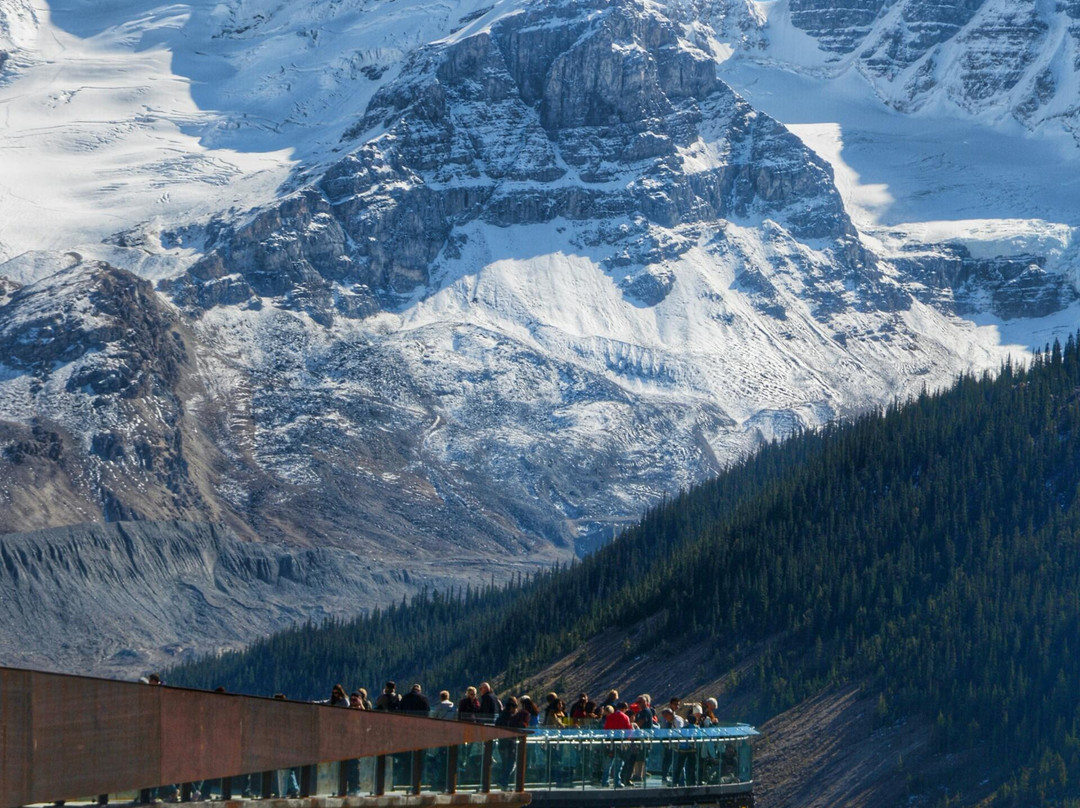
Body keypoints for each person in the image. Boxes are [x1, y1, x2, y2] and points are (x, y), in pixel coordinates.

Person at [495, 697, 527, 789]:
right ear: (511, 707)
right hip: (510, 744)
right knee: (512, 763)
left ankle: (504, 784)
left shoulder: (500, 717)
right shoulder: (512, 718)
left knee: (505, 764)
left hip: (501, 743)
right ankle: (503, 781)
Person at [601, 702, 633, 788]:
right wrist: (628, 740)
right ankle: (617, 781)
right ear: (624, 709)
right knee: (619, 764)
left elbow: (606, 729)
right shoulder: (625, 717)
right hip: (621, 743)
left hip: (610, 742)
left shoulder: (610, 716)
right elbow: (628, 731)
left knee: (608, 763)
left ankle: (605, 781)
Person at [659, 706, 684, 785]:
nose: (666, 719)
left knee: (678, 763)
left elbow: (679, 733)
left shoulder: (677, 720)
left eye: (666, 716)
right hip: (673, 745)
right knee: (672, 762)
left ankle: (680, 781)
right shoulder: (670, 722)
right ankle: (674, 780)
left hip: (679, 746)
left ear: (670, 714)